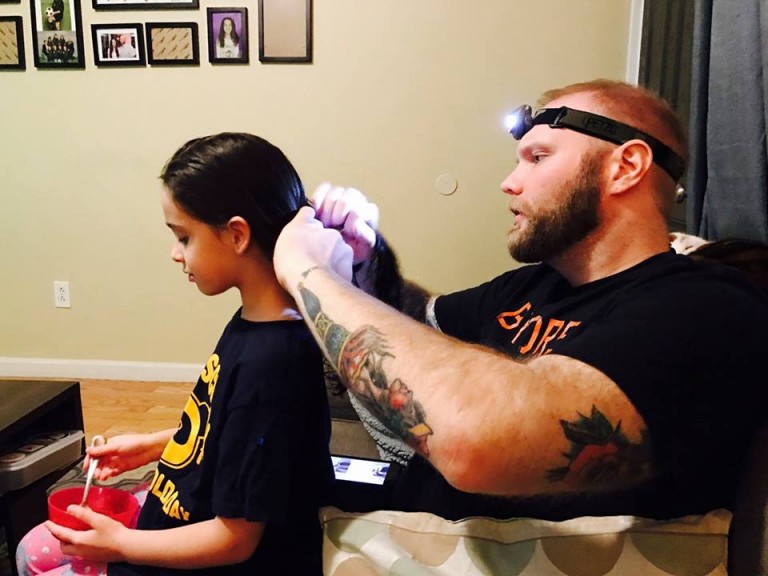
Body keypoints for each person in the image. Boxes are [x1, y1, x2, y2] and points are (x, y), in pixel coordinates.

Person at [272, 78, 768, 523]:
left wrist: (307, 272)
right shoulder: (533, 286)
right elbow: (420, 323)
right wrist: (365, 260)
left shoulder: (706, 309)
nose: (509, 182)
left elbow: (475, 443)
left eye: (538, 157)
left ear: (626, 167)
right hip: (412, 533)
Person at [16, 133, 334, 575]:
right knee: (35, 545)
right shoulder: (256, 325)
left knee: (33, 558)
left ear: (237, 235)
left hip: (211, 555)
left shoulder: (271, 366)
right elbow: (231, 436)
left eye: (183, 237)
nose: (174, 253)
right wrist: (152, 446)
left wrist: (121, 545)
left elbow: (235, 540)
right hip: (178, 516)